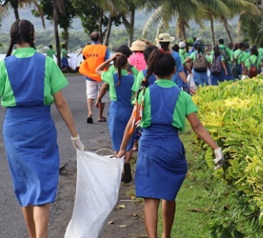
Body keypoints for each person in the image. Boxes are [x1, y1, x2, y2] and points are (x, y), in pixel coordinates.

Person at [117, 48, 224, 238]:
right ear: (174, 71)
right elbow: (197, 127)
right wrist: (216, 148)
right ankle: (166, 235)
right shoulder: (182, 96)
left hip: (149, 148)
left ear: (154, 71)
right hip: (172, 148)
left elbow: (131, 125)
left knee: (150, 198)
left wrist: (122, 150)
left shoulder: (144, 94)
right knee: (168, 195)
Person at [0, 19, 84, 238]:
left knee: (25, 185)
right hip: (40, 127)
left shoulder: (3, 64)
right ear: (33, 35)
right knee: (42, 187)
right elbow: (61, 103)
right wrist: (75, 135)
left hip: (14, 128)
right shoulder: (46, 62)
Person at [96, 53, 135, 183]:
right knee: (128, 138)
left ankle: (119, 167)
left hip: (116, 110)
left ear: (115, 65)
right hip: (129, 109)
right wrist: (131, 66)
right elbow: (140, 74)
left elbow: (97, 70)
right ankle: (127, 162)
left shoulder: (111, 77)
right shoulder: (133, 77)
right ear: (126, 65)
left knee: (116, 139)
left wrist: (109, 60)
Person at [79, 31, 111, 123]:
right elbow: (107, 61)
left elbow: (85, 59)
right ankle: (100, 116)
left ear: (90, 39)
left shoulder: (86, 48)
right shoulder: (104, 48)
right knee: (102, 95)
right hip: (101, 74)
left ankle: (90, 112)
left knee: (90, 95)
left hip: (89, 74)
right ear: (99, 38)